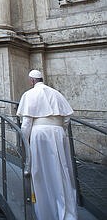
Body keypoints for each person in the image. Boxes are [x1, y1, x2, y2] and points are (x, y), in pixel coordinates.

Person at [17, 70, 78, 220]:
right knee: (62, 168)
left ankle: (47, 212)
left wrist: (22, 142)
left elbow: (26, 124)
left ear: (32, 81)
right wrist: (58, 131)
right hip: (58, 133)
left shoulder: (29, 94)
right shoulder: (56, 93)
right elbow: (66, 119)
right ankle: (67, 213)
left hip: (40, 134)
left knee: (41, 171)